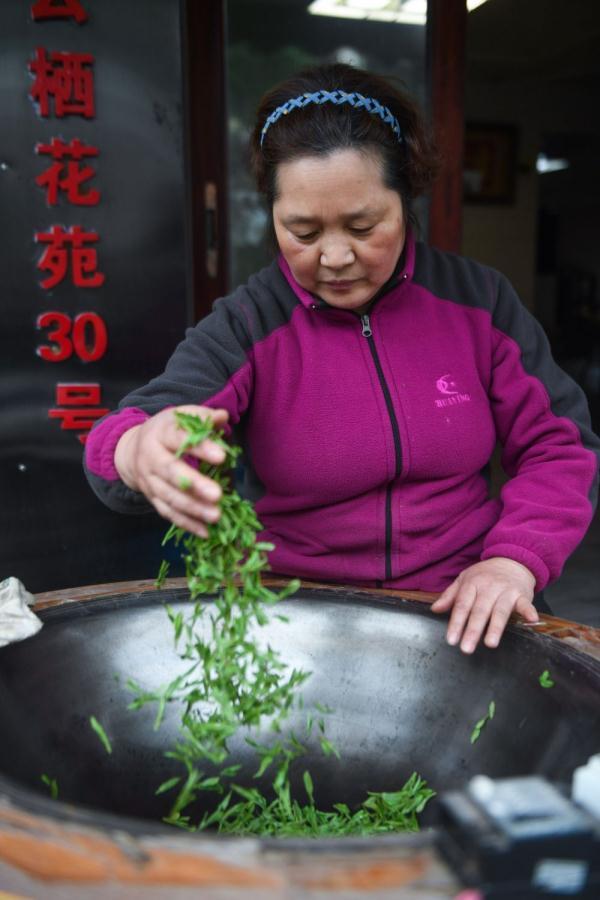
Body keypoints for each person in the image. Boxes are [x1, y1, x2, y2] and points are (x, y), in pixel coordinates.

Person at [84, 63, 600, 655]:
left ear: (404, 199)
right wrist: (136, 450)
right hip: (299, 618)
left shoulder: (477, 303)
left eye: (363, 225)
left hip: (462, 600)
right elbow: (127, 436)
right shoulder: (248, 324)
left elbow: (559, 444)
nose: (333, 257)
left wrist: (513, 561)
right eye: (301, 231)